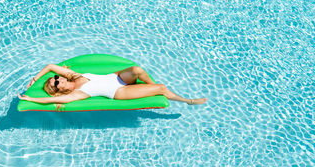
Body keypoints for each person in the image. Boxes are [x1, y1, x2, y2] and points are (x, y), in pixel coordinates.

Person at [18, 64, 207, 106]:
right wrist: (31, 98)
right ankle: (188, 100)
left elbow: (50, 66)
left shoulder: (73, 75)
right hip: (118, 90)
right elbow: (47, 101)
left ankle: (148, 85)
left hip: (115, 77)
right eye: (56, 83)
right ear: (59, 90)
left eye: (56, 78)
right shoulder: (76, 94)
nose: (58, 79)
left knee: (137, 69)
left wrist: (35, 78)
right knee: (161, 88)